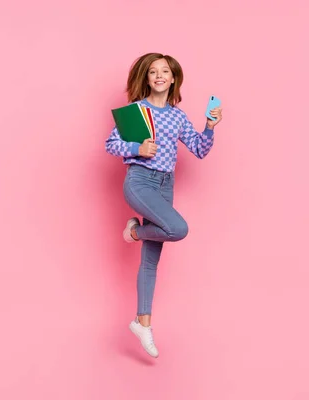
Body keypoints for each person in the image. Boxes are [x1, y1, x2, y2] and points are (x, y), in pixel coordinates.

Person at [104, 53, 223, 358]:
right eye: (153, 71)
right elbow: (110, 144)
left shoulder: (178, 117)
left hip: (166, 184)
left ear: (173, 79)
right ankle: (134, 232)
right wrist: (137, 148)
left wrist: (209, 126)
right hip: (140, 181)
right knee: (177, 228)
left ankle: (142, 323)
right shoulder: (136, 111)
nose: (159, 75)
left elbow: (199, 149)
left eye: (165, 71)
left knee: (150, 261)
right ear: (147, 78)